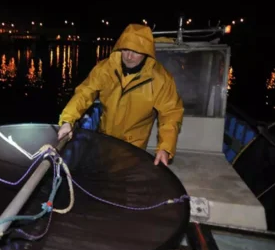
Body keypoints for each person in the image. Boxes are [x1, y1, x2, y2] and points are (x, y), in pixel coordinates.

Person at [57, 24, 184, 166]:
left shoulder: (161, 79)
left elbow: (171, 113)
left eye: (136, 52)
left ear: (147, 52)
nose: (129, 56)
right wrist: (68, 120)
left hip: (134, 145)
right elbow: (84, 93)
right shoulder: (105, 69)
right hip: (105, 137)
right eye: (126, 49)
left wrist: (165, 148)